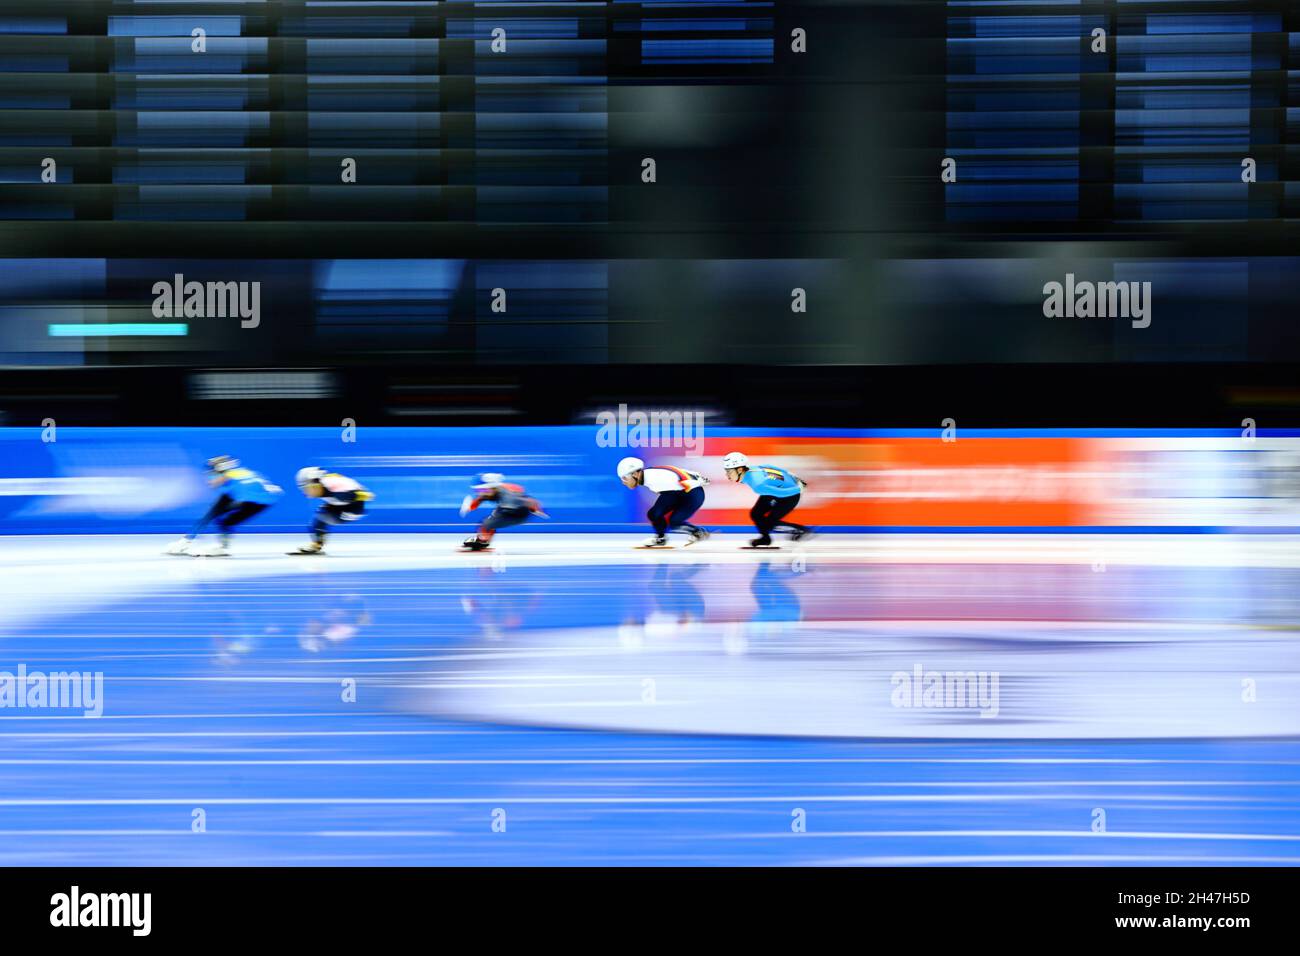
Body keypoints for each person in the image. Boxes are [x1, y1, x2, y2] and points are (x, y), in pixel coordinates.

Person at [165, 455, 281, 556]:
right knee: (214, 516)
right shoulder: (233, 477)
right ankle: (187, 541)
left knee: (225, 521)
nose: (209, 480)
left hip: (262, 500)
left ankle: (221, 547)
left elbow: (266, 490)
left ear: (222, 473)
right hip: (249, 494)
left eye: (212, 475)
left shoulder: (240, 483)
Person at [721, 451, 813, 548]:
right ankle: (765, 539)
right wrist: (791, 475)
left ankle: (801, 530)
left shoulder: (757, 484)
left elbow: (781, 493)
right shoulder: (751, 469)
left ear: (739, 470)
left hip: (790, 495)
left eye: (729, 472)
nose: (727, 475)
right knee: (756, 514)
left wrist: (799, 488)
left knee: (770, 523)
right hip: (776, 487)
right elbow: (768, 466)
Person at [616, 456, 710, 548]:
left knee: (674, 522)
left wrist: (698, 480)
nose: (623, 482)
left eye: (624, 478)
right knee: (654, 514)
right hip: (676, 493)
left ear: (635, 474)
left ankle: (698, 532)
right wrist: (697, 476)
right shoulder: (649, 475)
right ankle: (660, 539)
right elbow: (672, 470)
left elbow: (678, 475)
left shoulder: (655, 477)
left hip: (692, 494)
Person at [289, 467, 374, 554]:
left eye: (306, 488)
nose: (305, 493)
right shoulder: (323, 484)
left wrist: (359, 495)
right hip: (338, 504)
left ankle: (317, 543)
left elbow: (364, 494)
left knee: (324, 516)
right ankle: (316, 544)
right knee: (317, 519)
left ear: (316, 483)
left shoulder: (335, 484)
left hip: (354, 508)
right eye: (303, 489)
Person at [459, 473, 547, 551]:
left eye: (484, 490)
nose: (481, 493)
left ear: (494, 487)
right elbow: (480, 499)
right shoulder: (490, 491)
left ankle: (482, 541)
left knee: (487, 523)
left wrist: (536, 508)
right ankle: (483, 540)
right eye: (478, 491)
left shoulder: (509, 496)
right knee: (487, 522)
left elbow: (528, 501)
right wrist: (469, 507)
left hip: (519, 513)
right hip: (506, 508)